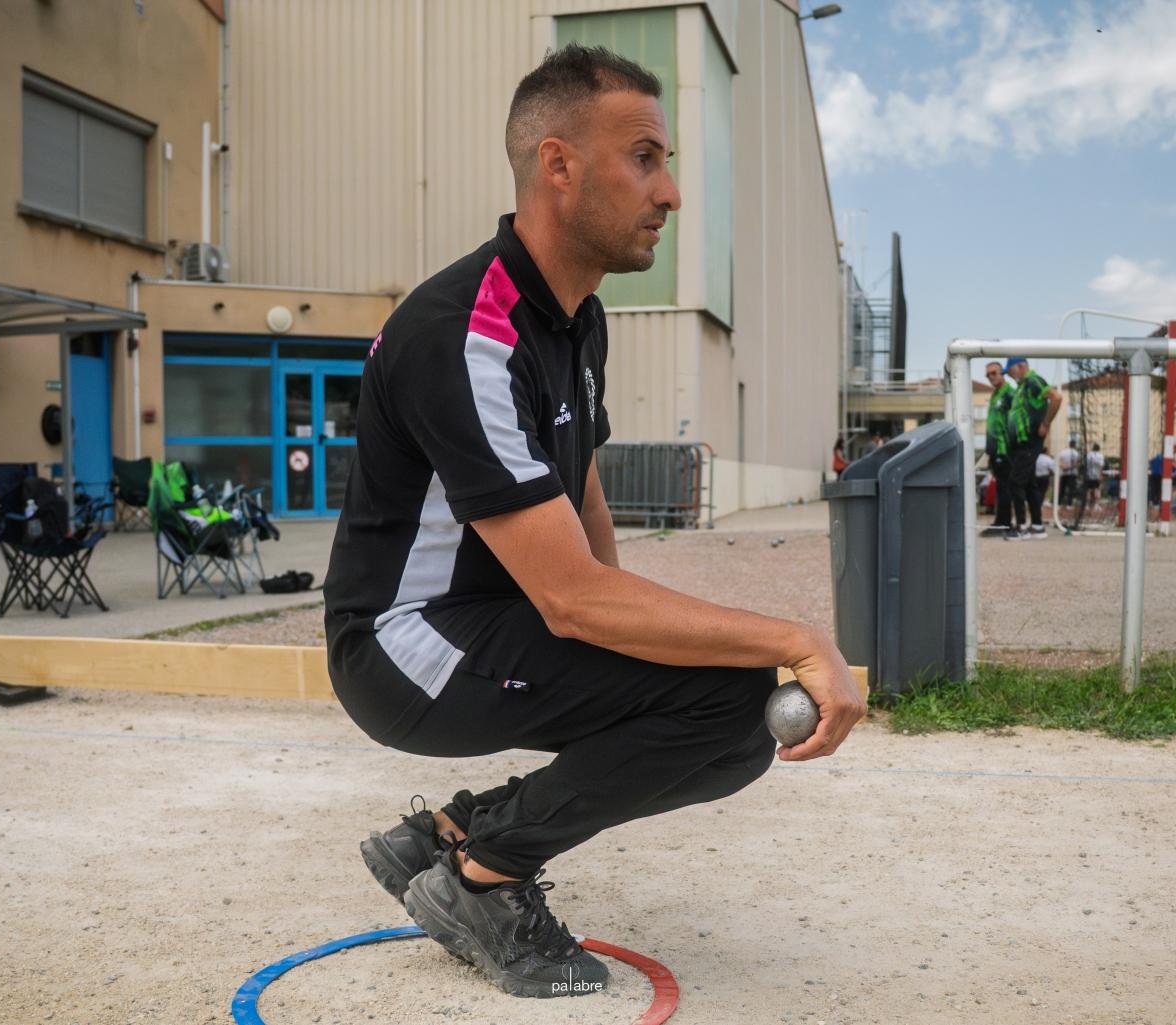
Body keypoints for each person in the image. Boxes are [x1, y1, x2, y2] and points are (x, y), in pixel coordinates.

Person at [322, 45, 865, 1000]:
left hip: (492, 620)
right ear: (559, 167)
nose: (672, 194)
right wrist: (794, 638)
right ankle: (480, 879)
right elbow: (572, 598)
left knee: (725, 716)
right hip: (400, 647)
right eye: (646, 158)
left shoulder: (577, 317)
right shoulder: (464, 335)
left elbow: (583, 494)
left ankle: (448, 832)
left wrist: (636, 656)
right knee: (728, 700)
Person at [1003, 357, 1061, 540]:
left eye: (1011, 371)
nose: (1011, 376)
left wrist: (1046, 423)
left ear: (1020, 366)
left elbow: (1056, 397)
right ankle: (1037, 525)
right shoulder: (1022, 386)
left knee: (1015, 482)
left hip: (1029, 442)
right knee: (1028, 484)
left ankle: (1021, 527)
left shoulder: (1032, 381)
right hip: (1021, 443)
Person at [980, 361, 1014, 536]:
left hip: (1004, 448)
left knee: (1005, 486)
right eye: (988, 375)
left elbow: (1014, 419)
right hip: (994, 449)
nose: (991, 377)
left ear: (1003, 373)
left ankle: (1005, 524)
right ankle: (1000, 521)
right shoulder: (995, 394)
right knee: (1000, 486)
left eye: (994, 373)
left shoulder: (1009, 393)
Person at [1033, 448, 1056, 520]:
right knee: (1042, 492)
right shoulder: (1048, 459)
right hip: (1044, 477)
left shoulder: (1035, 457)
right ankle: (1039, 504)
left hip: (1035, 477)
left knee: (1036, 491)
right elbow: (1053, 469)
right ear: (1046, 452)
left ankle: (1036, 503)